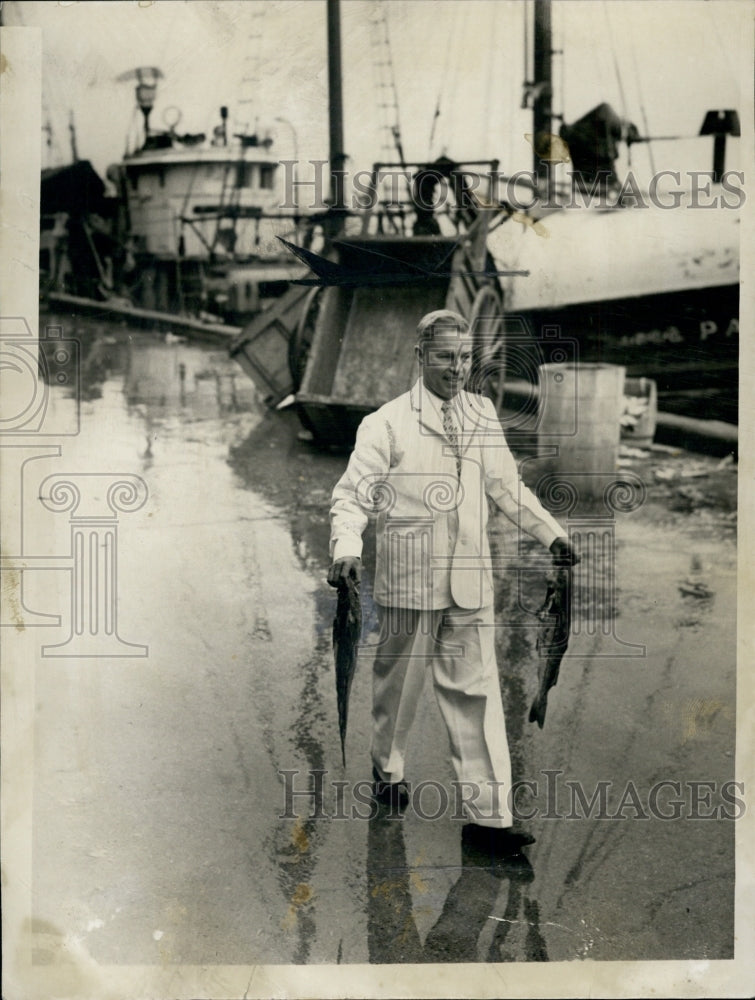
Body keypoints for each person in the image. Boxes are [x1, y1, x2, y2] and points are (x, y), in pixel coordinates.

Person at [327, 309, 578, 856]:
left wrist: (553, 535)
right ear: (420, 357)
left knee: (477, 696)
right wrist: (347, 548)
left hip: (469, 584)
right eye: (445, 357)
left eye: (464, 357)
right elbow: (352, 495)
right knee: (398, 691)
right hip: (407, 584)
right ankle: (387, 769)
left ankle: (490, 820)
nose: (457, 367)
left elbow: (507, 489)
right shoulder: (386, 422)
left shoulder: (484, 414)